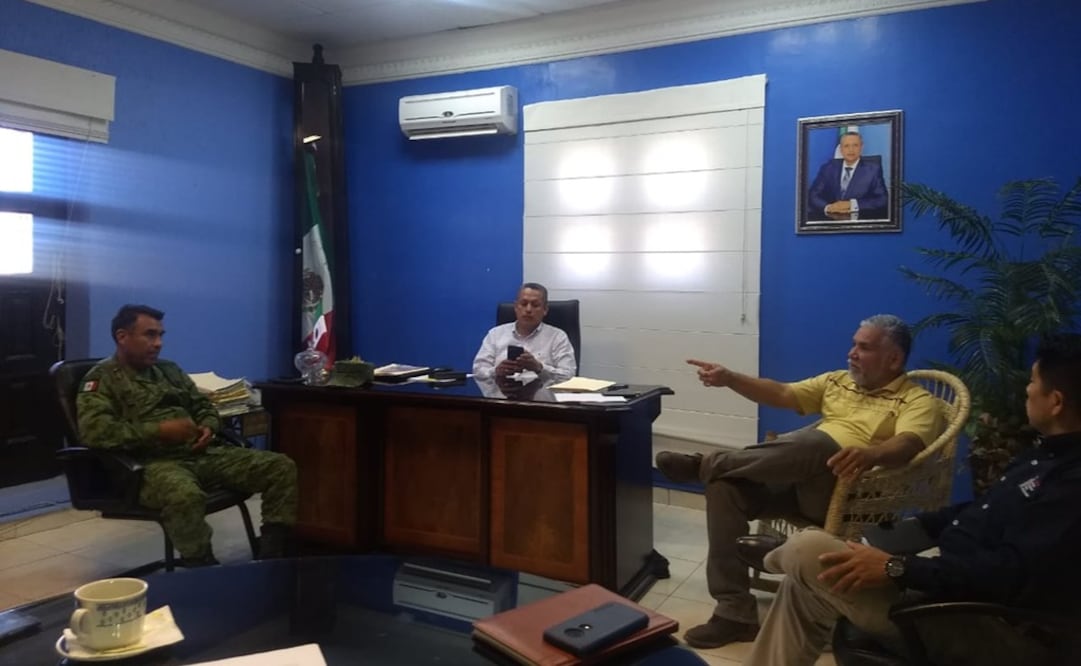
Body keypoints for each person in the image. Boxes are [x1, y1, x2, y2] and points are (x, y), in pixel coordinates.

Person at [744, 333, 1081, 666]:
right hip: (954, 592)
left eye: (1033, 382)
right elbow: (980, 511)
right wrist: (886, 538)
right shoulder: (1043, 456)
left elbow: (1007, 572)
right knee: (807, 582)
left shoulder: (1070, 483)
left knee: (809, 550)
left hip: (994, 629)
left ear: (1056, 402)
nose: (1026, 389)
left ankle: (777, 557)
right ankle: (788, 560)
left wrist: (897, 568)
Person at [654, 314, 942, 648]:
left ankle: (706, 464)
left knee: (819, 443)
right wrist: (729, 378)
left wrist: (871, 454)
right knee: (724, 487)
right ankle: (734, 613)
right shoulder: (837, 382)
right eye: (853, 344)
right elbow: (781, 392)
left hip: (849, 496)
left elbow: (908, 443)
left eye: (864, 347)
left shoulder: (918, 401)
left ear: (893, 359)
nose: (851, 353)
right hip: (800, 481)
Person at [77, 304, 298, 567]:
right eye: (150, 335)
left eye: (160, 335)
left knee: (279, 467)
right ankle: (201, 565)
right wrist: (159, 431)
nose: (158, 343)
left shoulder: (169, 370)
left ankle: (272, 555)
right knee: (184, 496)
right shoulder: (101, 379)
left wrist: (208, 426)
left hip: (201, 453)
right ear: (122, 336)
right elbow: (95, 432)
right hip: (152, 465)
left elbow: (203, 405)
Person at [472, 282, 577, 383]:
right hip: (501, 392)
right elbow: (477, 371)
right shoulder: (495, 334)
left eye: (535, 305)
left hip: (541, 394)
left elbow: (569, 376)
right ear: (516, 307)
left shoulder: (558, 337)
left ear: (545, 309)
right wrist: (496, 371)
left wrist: (539, 368)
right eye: (523, 304)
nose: (528, 309)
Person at [806, 130, 888, 221]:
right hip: (830, 220)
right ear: (841, 149)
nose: (851, 150)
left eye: (855, 145)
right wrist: (828, 207)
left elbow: (883, 199)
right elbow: (813, 195)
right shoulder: (828, 168)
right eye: (846, 146)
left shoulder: (873, 170)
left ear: (861, 147)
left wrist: (852, 204)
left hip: (858, 221)